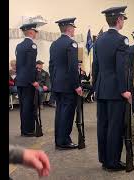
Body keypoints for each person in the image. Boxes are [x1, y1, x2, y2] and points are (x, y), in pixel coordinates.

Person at [92, 6, 131, 171]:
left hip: (101, 88)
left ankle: (104, 159)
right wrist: (124, 90)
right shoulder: (121, 40)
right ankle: (113, 162)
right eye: (123, 19)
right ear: (119, 20)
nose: (123, 22)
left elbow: (96, 67)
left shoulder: (99, 39)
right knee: (115, 127)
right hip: (116, 90)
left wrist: (95, 87)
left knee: (103, 125)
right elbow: (121, 68)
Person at [49, 17, 82, 150]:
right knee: (67, 114)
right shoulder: (71, 44)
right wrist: (77, 85)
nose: (74, 30)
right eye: (73, 27)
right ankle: (64, 141)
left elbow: (51, 66)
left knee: (60, 113)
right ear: (69, 28)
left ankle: (59, 139)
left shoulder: (54, 44)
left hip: (57, 83)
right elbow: (72, 67)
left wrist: (54, 81)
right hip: (68, 85)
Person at [15, 23, 40, 137]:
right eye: (35, 31)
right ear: (31, 32)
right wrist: (33, 81)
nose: (36, 33)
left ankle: (24, 129)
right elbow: (30, 65)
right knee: (29, 106)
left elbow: (20, 65)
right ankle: (29, 130)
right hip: (28, 82)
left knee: (23, 106)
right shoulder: (31, 45)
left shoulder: (19, 46)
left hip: (19, 80)